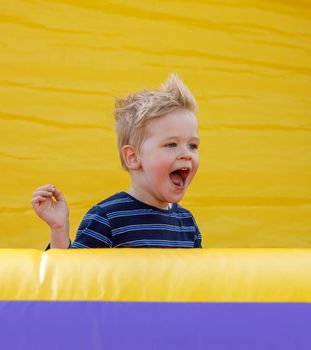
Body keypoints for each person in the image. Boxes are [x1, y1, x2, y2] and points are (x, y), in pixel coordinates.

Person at [31, 73, 202, 249]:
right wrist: (59, 229)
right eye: (171, 144)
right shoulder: (107, 218)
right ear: (133, 157)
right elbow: (72, 274)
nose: (186, 154)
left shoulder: (188, 224)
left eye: (193, 146)